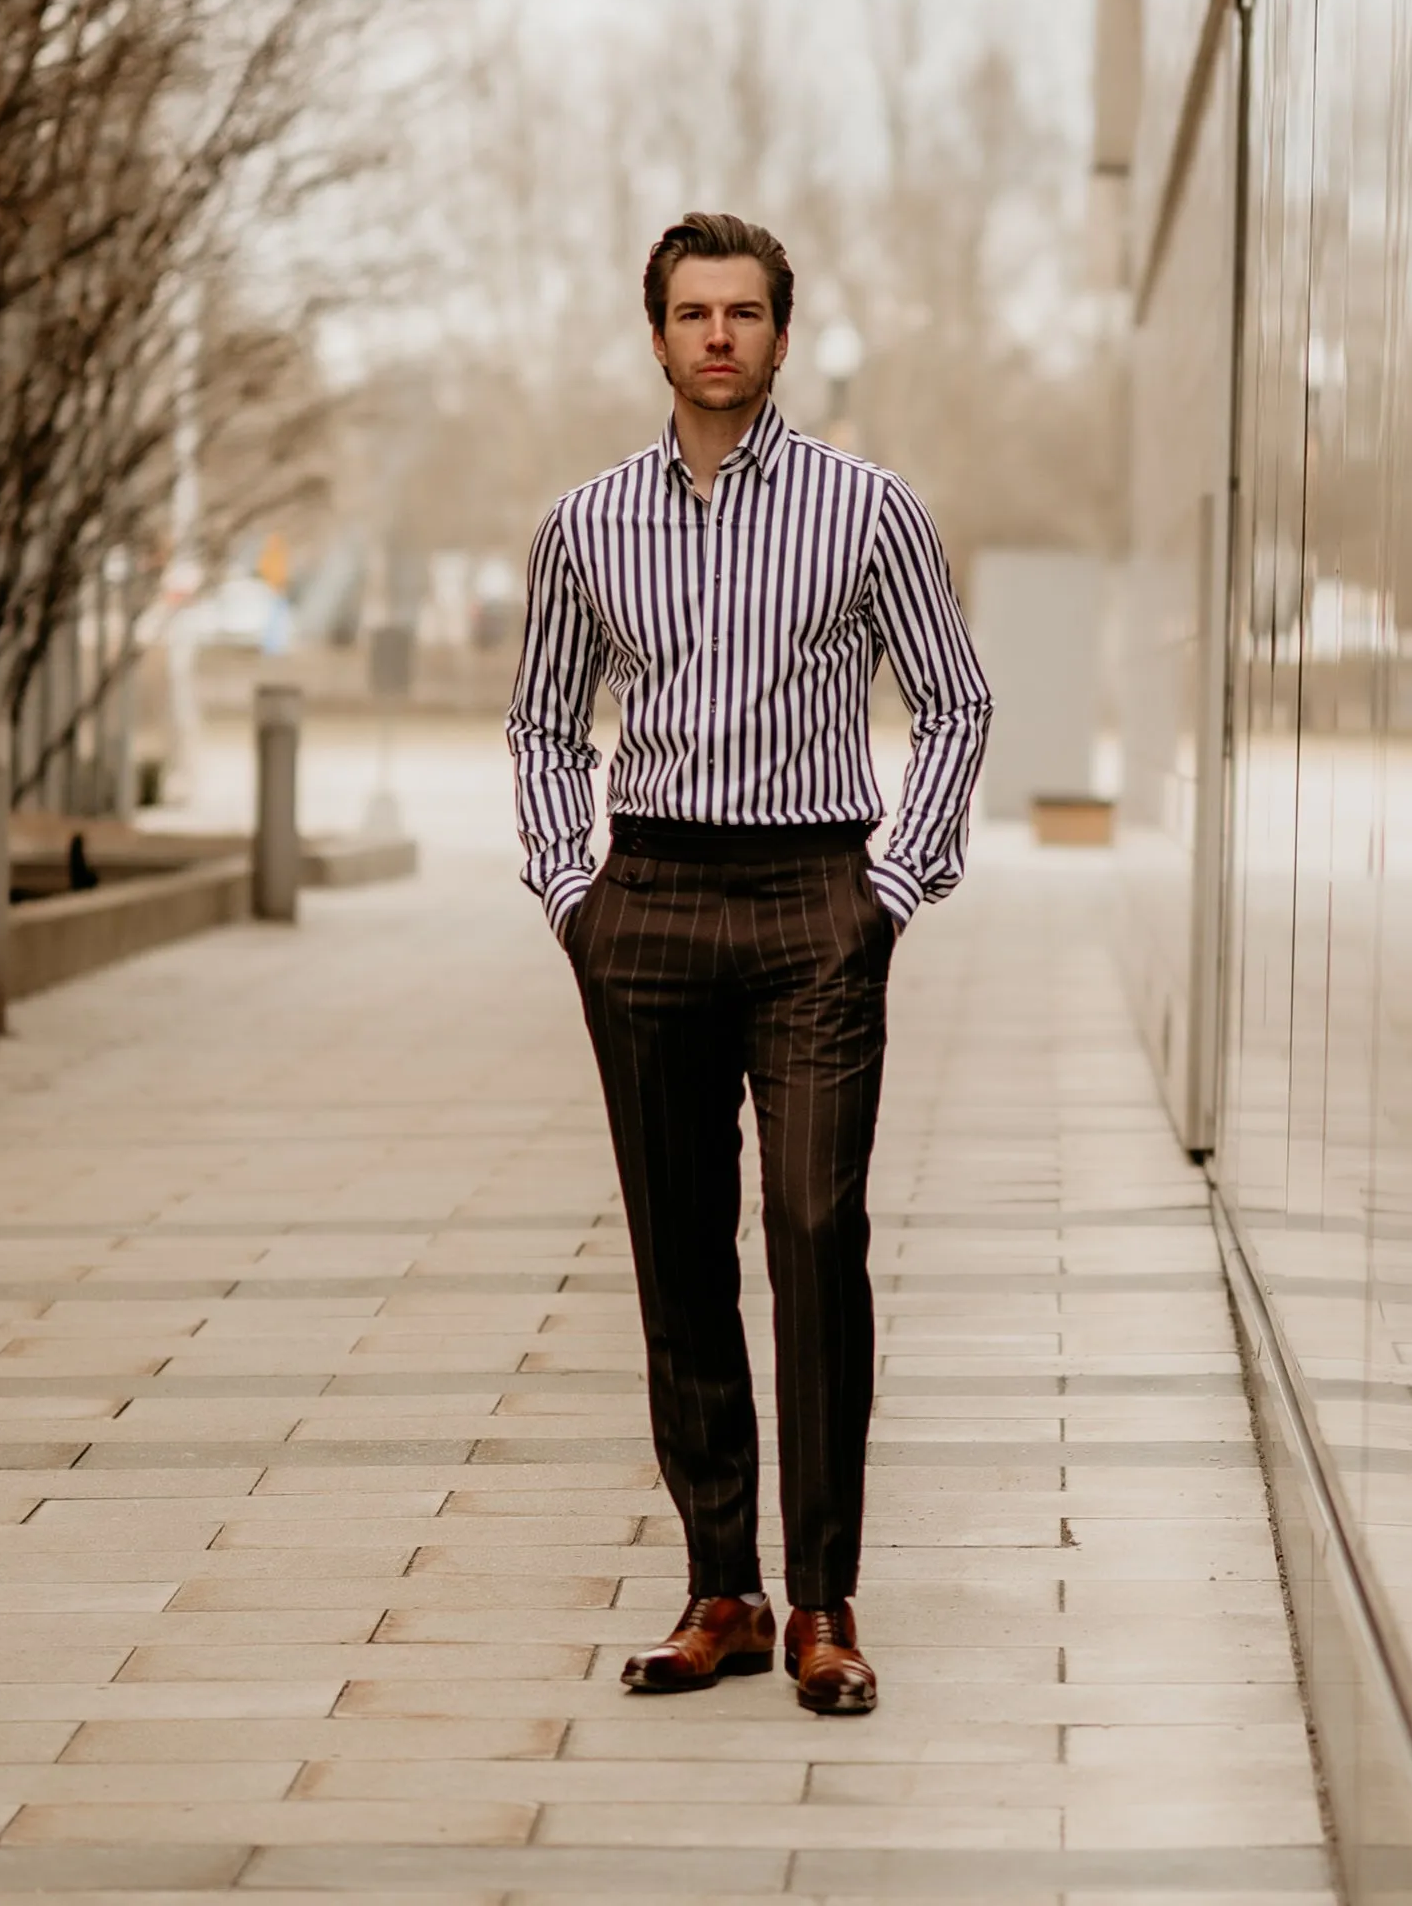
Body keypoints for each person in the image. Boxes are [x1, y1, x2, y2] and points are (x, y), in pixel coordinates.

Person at [505, 210, 991, 1717]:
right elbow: (539, 723)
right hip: (644, 901)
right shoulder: (585, 525)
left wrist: (891, 888)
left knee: (812, 1227)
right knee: (679, 1254)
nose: (719, 334)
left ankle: (826, 1600)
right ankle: (724, 1583)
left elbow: (955, 704)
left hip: (812, 905)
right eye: (693, 312)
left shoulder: (869, 510)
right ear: (654, 335)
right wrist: (575, 892)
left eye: (745, 311)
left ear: (785, 332)